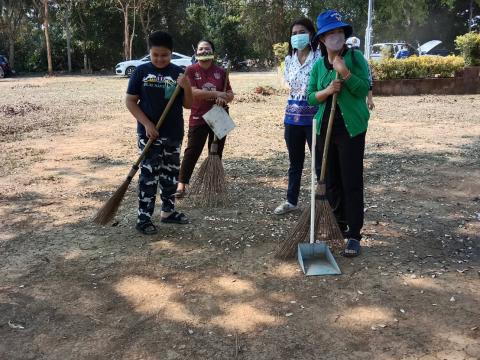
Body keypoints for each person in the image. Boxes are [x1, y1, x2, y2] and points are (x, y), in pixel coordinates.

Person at [307, 10, 371, 257]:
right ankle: (338, 225)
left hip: (351, 128)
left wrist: (345, 72)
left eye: (339, 31)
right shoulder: (317, 67)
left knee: (351, 180)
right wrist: (327, 90)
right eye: (330, 33)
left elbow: (364, 88)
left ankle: (354, 234)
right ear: (322, 39)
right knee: (330, 180)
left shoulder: (355, 58)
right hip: (325, 127)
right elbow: (312, 96)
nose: (336, 36)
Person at [126, 31, 193, 235]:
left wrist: (187, 86)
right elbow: (130, 101)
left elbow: (188, 104)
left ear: (171, 53)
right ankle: (144, 218)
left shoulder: (178, 73)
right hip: (149, 135)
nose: (160, 59)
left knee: (170, 175)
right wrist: (147, 124)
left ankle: (168, 212)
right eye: (155, 54)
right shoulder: (141, 72)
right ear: (150, 52)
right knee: (149, 176)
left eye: (164, 55)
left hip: (173, 133)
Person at [175, 39, 234, 198]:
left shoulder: (221, 72)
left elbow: (229, 94)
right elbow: (193, 92)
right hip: (198, 115)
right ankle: (181, 184)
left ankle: (213, 182)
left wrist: (224, 99)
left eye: (207, 49)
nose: (203, 52)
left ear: (213, 53)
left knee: (216, 151)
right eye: (200, 49)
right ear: (196, 53)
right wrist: (216, 94)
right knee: (192, 151)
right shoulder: (191, 70)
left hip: (219, 116)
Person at [274, 17, 321, 215]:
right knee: (295, 162)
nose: (297, 36)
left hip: (315, 117)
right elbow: (288, 85)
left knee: (320, 162)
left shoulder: (320, 57)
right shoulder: (288, 60)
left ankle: (324, 202)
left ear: (311, 34)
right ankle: (291, 201)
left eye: (301, 32)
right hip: (292, 118)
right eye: (293, 34)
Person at [346, 36, 375, 110]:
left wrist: (370, 99)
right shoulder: (341, 59)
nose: (354, 51)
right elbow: (369, 81)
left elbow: (369, 81)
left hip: (357, 97)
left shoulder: (363, 60)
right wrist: (370, 99)